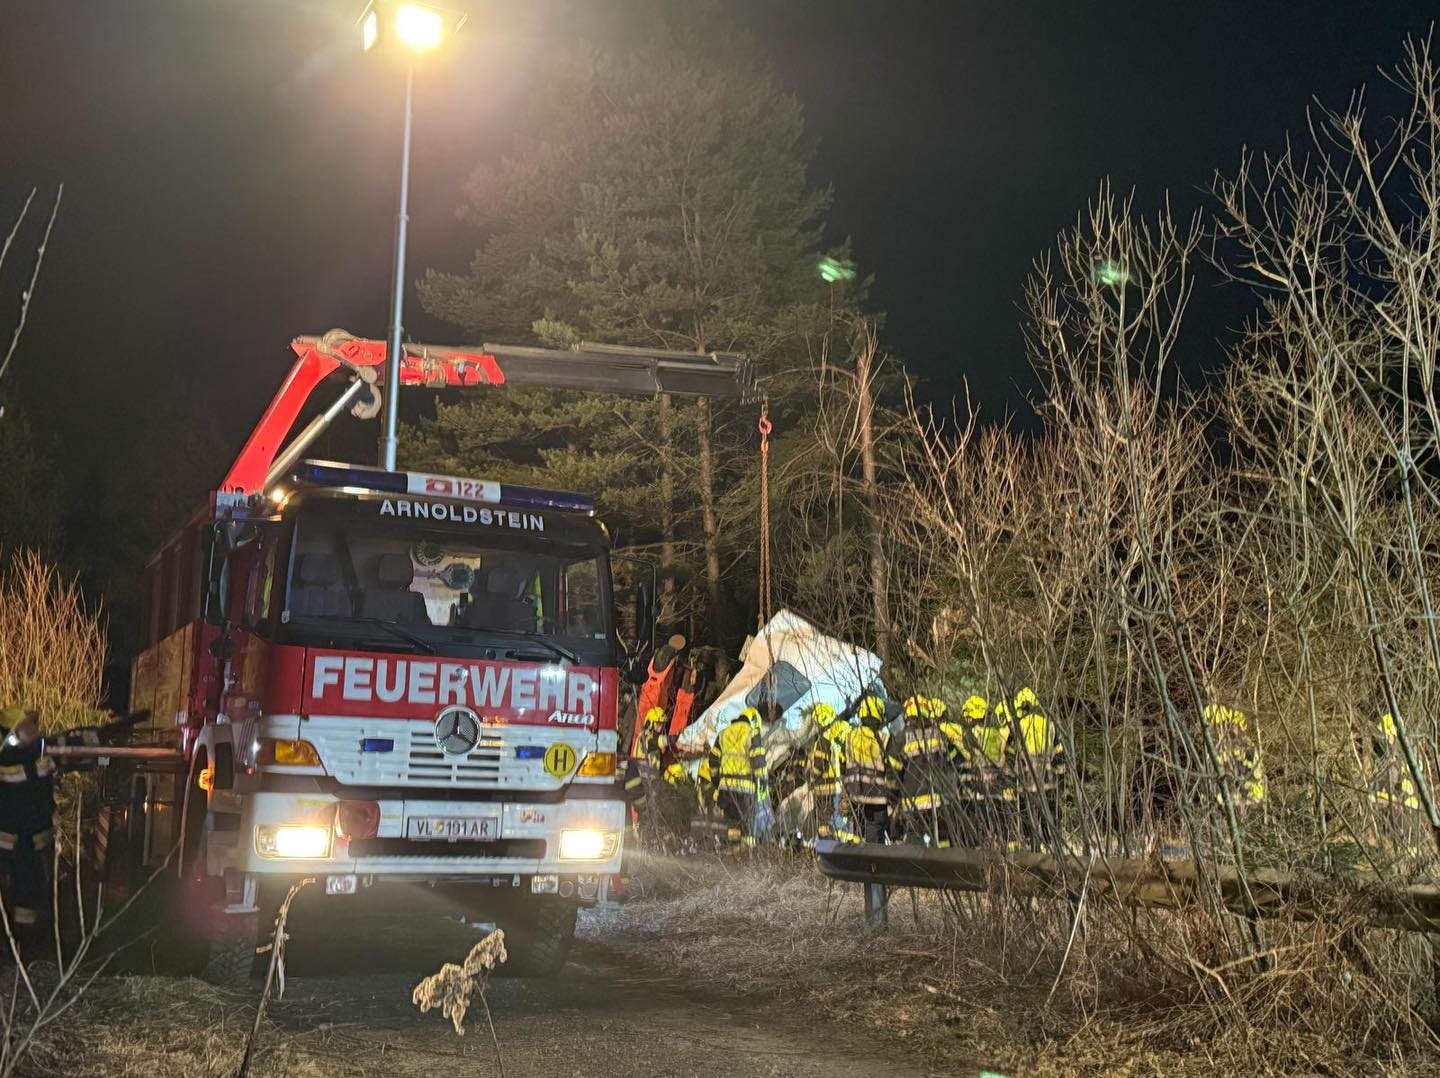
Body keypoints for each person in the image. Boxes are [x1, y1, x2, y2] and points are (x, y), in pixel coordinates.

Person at [894, 695, 953, 847]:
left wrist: (893, 800)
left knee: (914, 840)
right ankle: (946, 867)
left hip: (912, 802)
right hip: (938, 799)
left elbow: (894, 774)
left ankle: (915, 870)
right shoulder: (938, 733)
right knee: (942, 839)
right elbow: (950, 764)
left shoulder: (901, 738)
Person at [706, 707, 769, 848]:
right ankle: (746, 858)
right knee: (746, 827)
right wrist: (763, 786)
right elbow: (758, 763)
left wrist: (717, 782)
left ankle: (731, 853)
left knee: (732, 825)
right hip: (745, 791)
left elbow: (713, 760)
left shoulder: (724, 734)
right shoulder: (752, 734)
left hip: (725, 789)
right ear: (753, 721)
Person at [839, 695, 895, 844]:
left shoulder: (849, 738)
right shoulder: (883, 739)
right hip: (877, 795)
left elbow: (842, 766)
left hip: (855, 795)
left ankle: (860, 862)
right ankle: (875, 864)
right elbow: (892, 768)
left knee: (859, 830)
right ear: (879, 716)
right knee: (876, 830)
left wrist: (845, 793)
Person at [1371, 712, 1423, 857]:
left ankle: (1410, 852)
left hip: (1404, 794)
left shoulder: (1405, 747)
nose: (1388, 739)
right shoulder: (1382, 754)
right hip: (1384, 794)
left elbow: (1414, 768)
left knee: (1408, 814)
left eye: (1389, 736)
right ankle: (1401, 850)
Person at [1202, 704, 1264, 813]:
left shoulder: (1246, 747)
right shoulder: (1219, 747)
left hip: (1245, 802)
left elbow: (1249, 775)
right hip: (1226, 804)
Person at [804, 703, 847, 842]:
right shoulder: (833, 739)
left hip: (823, 788)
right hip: (833, 786)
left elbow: (819, 765)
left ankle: (827, 846)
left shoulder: (823, 741)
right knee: (830, 819)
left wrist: (811, 777)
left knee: (823, 821)